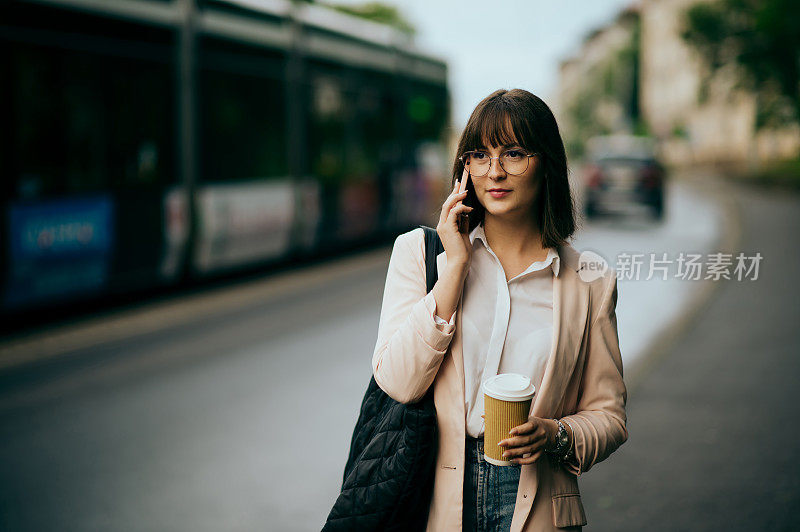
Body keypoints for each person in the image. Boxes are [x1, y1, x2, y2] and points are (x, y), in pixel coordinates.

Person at [371, 88, 628, 531]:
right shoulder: (419, 254)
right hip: (438, 495)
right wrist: (454, 269)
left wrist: (555, 434)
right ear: (464, 167)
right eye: (479, 154)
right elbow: (398, 381)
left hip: (538, 503)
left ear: (546, 162)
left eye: (513, 153)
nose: (495, 171)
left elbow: (609, 416)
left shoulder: (591, 280)